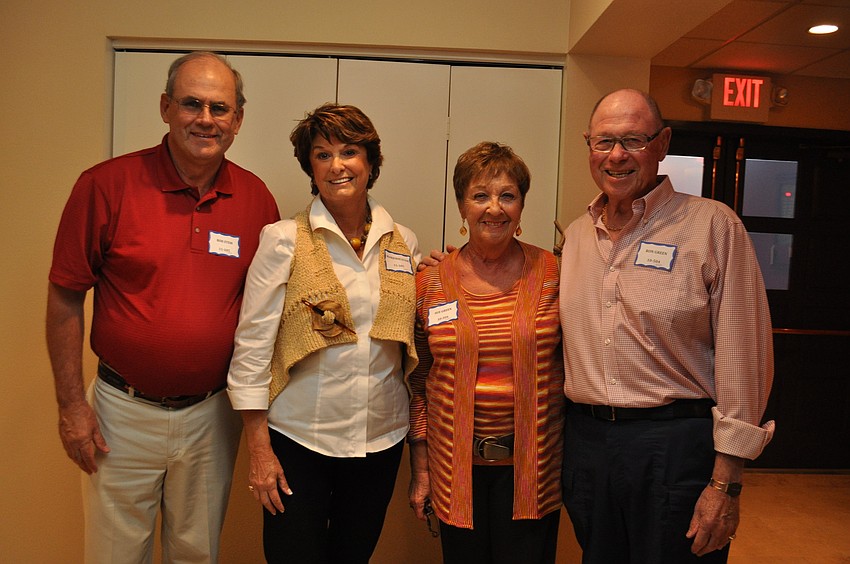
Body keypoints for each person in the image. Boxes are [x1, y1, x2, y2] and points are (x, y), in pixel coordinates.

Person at [45, 51, 280, 563]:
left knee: (197, 553)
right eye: (191, 103)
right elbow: (65, 293)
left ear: (237, 119)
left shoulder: (257, 200)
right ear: (165, 107)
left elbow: (267, 314)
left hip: (211, 415)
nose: (205, 119)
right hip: (120, 414)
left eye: (220, 108)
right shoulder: (105, 185)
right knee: (115, 555)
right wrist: (71, 406)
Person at [558, 88, 775, 563]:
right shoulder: (575, 236)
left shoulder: (712, 227)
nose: (616, 155)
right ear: (588, 146)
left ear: (662, 143)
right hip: (587, 447)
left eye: (634, 140)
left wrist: (726, 483)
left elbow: (744, 356)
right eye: (603, 141)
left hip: (675, 447)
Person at [226, 103, 421, 564]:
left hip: (381, 438)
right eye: (322, 154)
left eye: (349, 151)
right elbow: (252, 346)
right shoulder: (283, 239)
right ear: (310, 167)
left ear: (370, 162)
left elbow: (410, 324)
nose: (337, 165)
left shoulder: (404, 242)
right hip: (299, 440)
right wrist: (259, 449)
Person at [408, 141, 565, 564]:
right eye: (480, 195)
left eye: (507, 195)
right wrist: (420, 470)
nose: (494, 208)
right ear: (462, 205)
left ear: (521, 206)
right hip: (454, 472)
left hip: (534, 470)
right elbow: (419, 383)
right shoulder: (430, 282)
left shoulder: (554, 273)